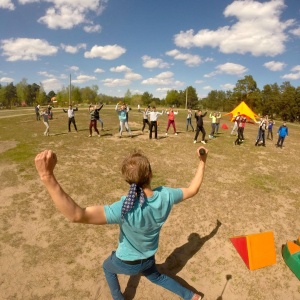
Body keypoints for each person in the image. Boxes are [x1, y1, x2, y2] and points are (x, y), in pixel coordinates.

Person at [34, 148, 207, 300]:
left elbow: (77, 215)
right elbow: (193, 189)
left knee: (107, 267)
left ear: (127, 179)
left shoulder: (123, 208)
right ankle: (191, 296)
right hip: (148, 258)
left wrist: (46, 176)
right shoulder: (165, 195)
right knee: (157, 276)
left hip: (127, 262)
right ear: (150, 174)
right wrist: (202, 162)